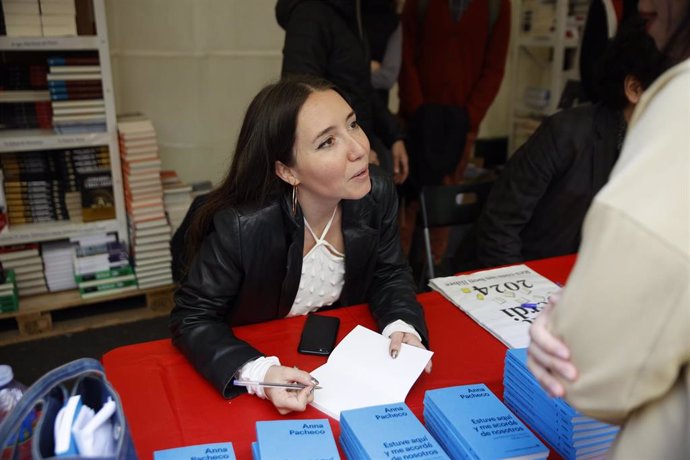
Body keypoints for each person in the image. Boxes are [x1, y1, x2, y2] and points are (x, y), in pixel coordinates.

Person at [170, 75, 431, 415]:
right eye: (327, 142)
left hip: (335, 362)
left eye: (353, 124)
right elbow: (192, 317)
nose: (359, 149)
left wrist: (401, 325)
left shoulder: (375, 192)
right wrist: (259, 373)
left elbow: (389, 273)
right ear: (287, 171)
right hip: (260, 357)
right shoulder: (242, 226)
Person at [527, 0, 690, 457]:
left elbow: (591, 370)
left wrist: (562, 334)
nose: (643, 4)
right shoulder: (566, 131)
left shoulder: (681, 106)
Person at [475, 18, 663, 268]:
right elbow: (498, 230)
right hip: (525, 280)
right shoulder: (565, 133)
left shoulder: (659, 151)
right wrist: (525, 297)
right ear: (634, 88)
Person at [275, 0, 409, 184]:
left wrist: (394, 136)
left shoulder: (351, 14)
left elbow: (361, 87)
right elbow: (301, 97)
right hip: (336, 162)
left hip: (355, 148)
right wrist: (354, 149)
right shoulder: (310, 14)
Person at [398, 0, 510, 183]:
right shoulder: (420, 3)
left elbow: (494, 68)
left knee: (448, 194)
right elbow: (405, 53)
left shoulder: (497, 5)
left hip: (463, 122)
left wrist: (470, 116)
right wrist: (416, 108)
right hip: (416, 117)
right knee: (408, 190)